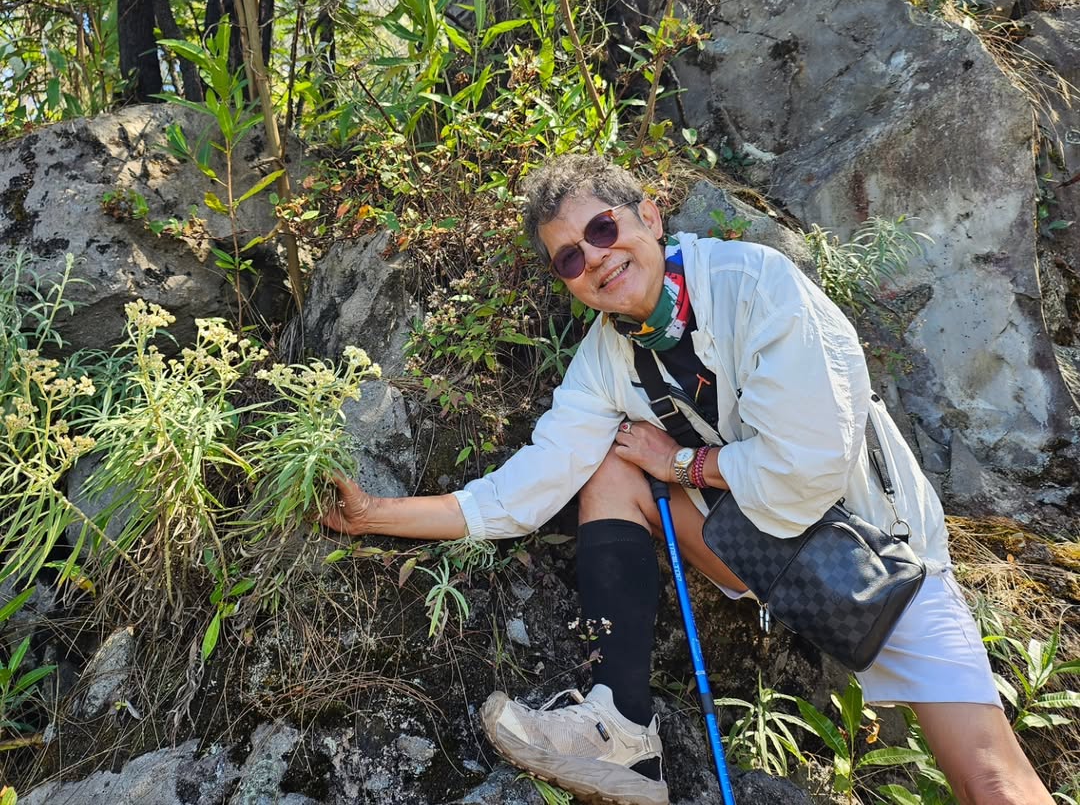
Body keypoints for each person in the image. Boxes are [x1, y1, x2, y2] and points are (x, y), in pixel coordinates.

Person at [321, 154, 1053, 805]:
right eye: (570, 258)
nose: (596, 260)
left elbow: (805, 472)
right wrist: (377, 514)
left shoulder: (755, 286)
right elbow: (527, 488)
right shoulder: (606, 361)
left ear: (650, 215)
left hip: (878, 561)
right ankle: (620, 725)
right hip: (757, 555)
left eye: (602, 230)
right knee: (605, 461)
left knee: (988, 784)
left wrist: (679, 465)